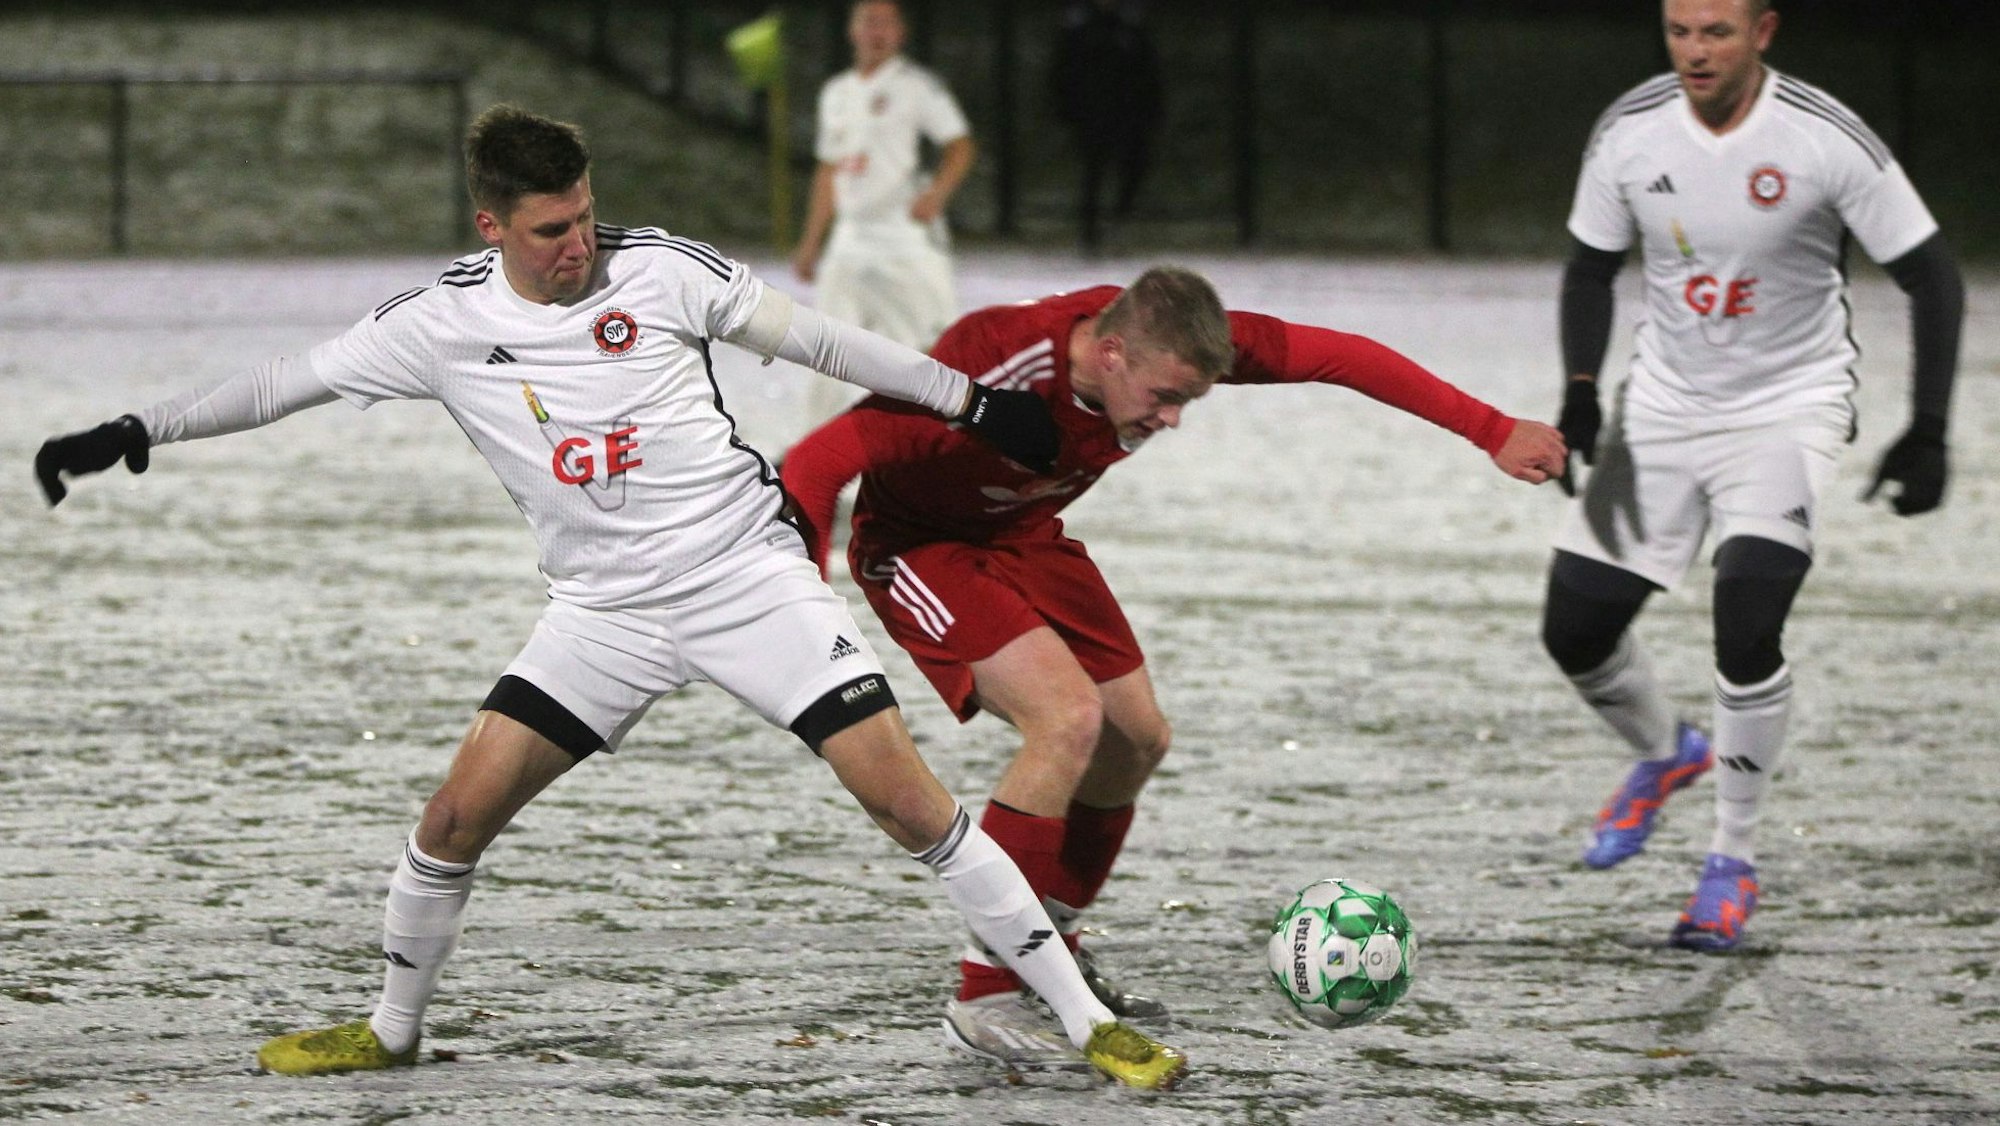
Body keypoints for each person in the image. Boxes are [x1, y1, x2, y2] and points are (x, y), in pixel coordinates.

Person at [33, 104, 1188, 1090]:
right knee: (452, 819)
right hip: (603, 613)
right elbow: (284, 382)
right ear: (492, 226)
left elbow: (821, 341)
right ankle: (389, 1032)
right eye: (550, 229)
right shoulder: (440, 324)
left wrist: (970, 403)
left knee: (907, 807)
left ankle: (1088, 1024)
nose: (579, 242)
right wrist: (140, 428)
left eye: (584, 214)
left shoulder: (661, 269)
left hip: (745, 577)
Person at [781, 265, 1567, 1062]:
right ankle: (986, 996)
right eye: (1166, 398)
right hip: (923, 546)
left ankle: (1053, 948)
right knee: (1067, 720)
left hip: (1025, 535)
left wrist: (1491, 429)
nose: (1174, 418)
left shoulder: (1175, 338)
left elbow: (1341, 355)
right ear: (1111, 353)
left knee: (1137, 738)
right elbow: (815, 463)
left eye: (1188, 400)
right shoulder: (992, 368)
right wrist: (800, 613)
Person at [1545, 0, 1963, 951]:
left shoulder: (1823, 138)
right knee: (1574, 628)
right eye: (1680, 30)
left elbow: (1933, 275)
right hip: (1659, 413)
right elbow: (1586, 267)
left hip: (1786, 410)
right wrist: (1578, 393)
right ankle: (1668, 752)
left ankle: (1731, 861)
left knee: (1748, 613)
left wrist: (1930, 428)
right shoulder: (1630, 129)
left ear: (1763, 32)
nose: (1695, 51)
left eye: (1717, 33)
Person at [790, 0, 974, 429]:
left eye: (887, 22)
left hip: (904, 236)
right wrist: (812, 241)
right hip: (851, 239)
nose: (878, 30)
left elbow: (960, 146)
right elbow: (828, 171)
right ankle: (815, 457)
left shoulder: (917, 86)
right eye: (868, 21)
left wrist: (936, 193)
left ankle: (944, 443)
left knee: (934, 345)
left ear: (901, 33)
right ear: (852, 30)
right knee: (826, 348)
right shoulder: (837, 92)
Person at [1050, 0, 1163, 252]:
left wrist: (1152, 108)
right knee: (1093, 171)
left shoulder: (1132, 21)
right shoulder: (1077, 22)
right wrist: (1066, 109)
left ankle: (1119, 222)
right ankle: (1089, 232)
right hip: (1091, 112)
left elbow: (1149, 67)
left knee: (1134, 167)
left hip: (1129, 111)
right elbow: (1063, 69)